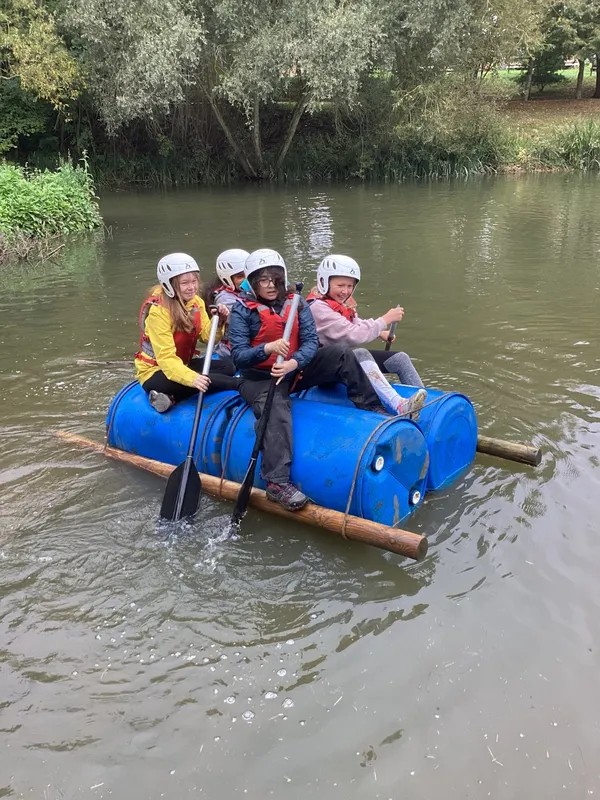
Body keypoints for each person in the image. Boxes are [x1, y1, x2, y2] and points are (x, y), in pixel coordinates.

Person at [228, 248, 388, 512]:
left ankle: (372, 407)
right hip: (259, 378)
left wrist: (294, 362)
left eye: (275, 279)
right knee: (277, 409)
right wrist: (266, 350)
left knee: (340, 354)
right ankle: (277, 483)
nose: (270, 286)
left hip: (293, 369)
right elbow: (238, 356)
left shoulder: (297, 302)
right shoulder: (242, 310)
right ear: (253, 282)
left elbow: (311, 343)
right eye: (263, 280)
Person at [308, 254, 426, 417]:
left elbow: (355, 323)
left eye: (350, 286)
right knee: (360, 353)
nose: (345, 291)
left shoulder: (341, 304)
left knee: (400, 359)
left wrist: (380, 332)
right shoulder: (317, 308)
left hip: (345, 363)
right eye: (340, 285)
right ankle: (399, 405)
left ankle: (427, 409)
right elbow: (352, 335)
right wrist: (384, 320)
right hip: (323, 370)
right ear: (324, 282)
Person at [135, 252, 240, 412]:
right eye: (184, 283)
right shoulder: (158, 313)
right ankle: (238, 384)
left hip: (182, 363)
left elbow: (207, 337)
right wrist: (193, 379)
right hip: (156, 371)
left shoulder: (196, 303)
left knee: (228, 368)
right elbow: (167, 360)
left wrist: (219, 322)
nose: (191, 287)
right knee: (219, 381)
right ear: (169, 284)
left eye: (194, 281)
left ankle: (172, 397)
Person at [203, 248, 249, 358]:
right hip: (229, 351)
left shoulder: (254, 292)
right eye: (240, 276)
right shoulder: (224, 298)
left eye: (248, 274)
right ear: (228, 279)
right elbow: (245, 321)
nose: (246, 279)